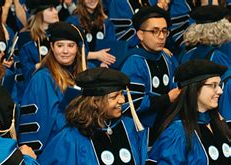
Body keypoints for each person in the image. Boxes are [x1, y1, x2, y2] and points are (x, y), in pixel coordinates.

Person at [18, 21, 85, 154]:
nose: (65, 51)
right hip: (57, 150)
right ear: (52, 47)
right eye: (60, 45)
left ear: (77, 48)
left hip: (78, 143)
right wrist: (82, 115)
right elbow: (45, 122)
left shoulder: (84, 73)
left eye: (71, 46)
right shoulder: (42, 79)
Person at [120, 5, 180, 146]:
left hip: (166, 127)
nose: (161, 37)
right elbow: (132, 104)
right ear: (140, 35)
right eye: (154, 31)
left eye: (164, 31)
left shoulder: (166, 58)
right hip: (141, 132)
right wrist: (168, 98)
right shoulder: (134, 62)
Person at [180, 5, 231, 120]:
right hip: (213, 113)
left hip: (189, 111)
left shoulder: (186, 52)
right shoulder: (217, 56)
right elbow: (227, 87)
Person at [66, 0, 117, 67]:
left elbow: (111, 45)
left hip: (103, 65)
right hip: (80, 66)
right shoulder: (73, 22)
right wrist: (96, 55)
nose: (92, 0)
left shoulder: (106, 22)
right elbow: (70, 51)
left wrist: (105, 62)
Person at [19, 0, 59, 83]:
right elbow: (25, 69)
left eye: (55, 8)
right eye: (50, 9)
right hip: (37, 83)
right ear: (39, 14)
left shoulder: (60, 33)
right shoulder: (26, 37)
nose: (56, 12)